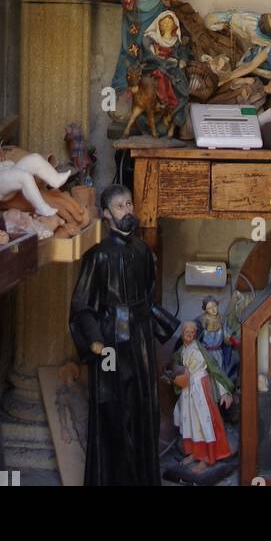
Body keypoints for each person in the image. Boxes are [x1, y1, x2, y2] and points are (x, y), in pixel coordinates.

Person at [69, 185, 180, 486]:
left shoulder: (144, 251)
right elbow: (82, 305)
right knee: (112, 409)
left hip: (141, 338)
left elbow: (148, 296)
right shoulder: (98, 257)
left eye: (129, 204)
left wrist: (160, 325)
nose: (127, 210)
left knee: (144, 408)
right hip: (109, 346)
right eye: (119, 206)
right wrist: (94, 340)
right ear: (106, 214)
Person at [169, 320, 234, 467]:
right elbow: (177, 369)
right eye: (187, 332)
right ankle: (194, 453)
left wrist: (224, 392)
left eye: (192, 332)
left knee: (202, 422)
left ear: (196, 334)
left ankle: (206, 457)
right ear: (182, 334)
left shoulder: (200, 350)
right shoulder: (181, 352)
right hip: (187, 391)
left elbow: (214, 371)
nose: (189, 335)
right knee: (189, 423)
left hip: (200, 388)